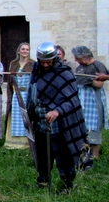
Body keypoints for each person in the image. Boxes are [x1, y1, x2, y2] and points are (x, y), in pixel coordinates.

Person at [27, 42, 91, 193]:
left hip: (60, 122)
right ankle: (43, 180)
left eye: (48, 61)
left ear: (55, 59)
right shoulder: (37, 71)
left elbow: (72, 100)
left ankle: (67, 184)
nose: (46, 64)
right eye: (43, 61)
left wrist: (57, 111)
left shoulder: (64, 72)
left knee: (63, 154)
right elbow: (33, 91)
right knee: (42, 153)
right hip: (41, 120)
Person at [71, 46, 108, 161]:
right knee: (82, 125)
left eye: (77, 58)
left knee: (94, 126)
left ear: (85, 57)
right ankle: (83, 154)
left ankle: (95, 156)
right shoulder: (80, 67)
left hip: (92, 97)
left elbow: (100, 84)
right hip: (81, 96)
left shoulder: (98, 65)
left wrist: (89, 81)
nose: (76, 60)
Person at [5, 42, 35, 149]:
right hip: (17, 94)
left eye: (27, 49)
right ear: (19, 51)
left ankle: (27, 144)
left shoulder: (33, 64)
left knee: (27, 117)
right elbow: (10, 81)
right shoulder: (14, 64)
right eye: (23, 49)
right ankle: (14, 144)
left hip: (28, 94)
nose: (25, 51)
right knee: (16, 116)